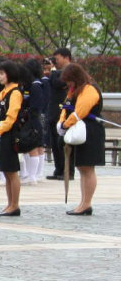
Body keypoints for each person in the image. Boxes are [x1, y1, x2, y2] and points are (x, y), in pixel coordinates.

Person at [58, 63, 105, 215]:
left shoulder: (90, 89)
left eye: (69, 81)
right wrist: (61, 122)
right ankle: (82, 202)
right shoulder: (74, 90)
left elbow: (80, 112)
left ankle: (86, 203)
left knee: (88, 167)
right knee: (81, 168)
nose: (68, 84)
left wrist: (65, 124)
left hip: (90, 131)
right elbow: (66, 107)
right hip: (79, 131)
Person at [0, 60, 24, 217]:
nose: (0, 76)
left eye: (2, 73)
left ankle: (14, 205)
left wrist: (0, 130)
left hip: (9, 134)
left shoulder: (15, 92)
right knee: (6, 172)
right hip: (1, 133)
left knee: (11, 171)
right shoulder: (3, 92)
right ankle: (9, 203)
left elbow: (11, 116)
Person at [46, 47, 73, 180]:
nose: (55, 61)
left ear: (66, 57)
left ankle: (68, 171)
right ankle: (59, 169)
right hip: (53, 110)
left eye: (57, 59)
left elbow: (58, 83)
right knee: (54, 143)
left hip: (64, 111)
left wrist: (52, 70)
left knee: (63, 143)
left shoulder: (72, 71)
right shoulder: (56, 72)